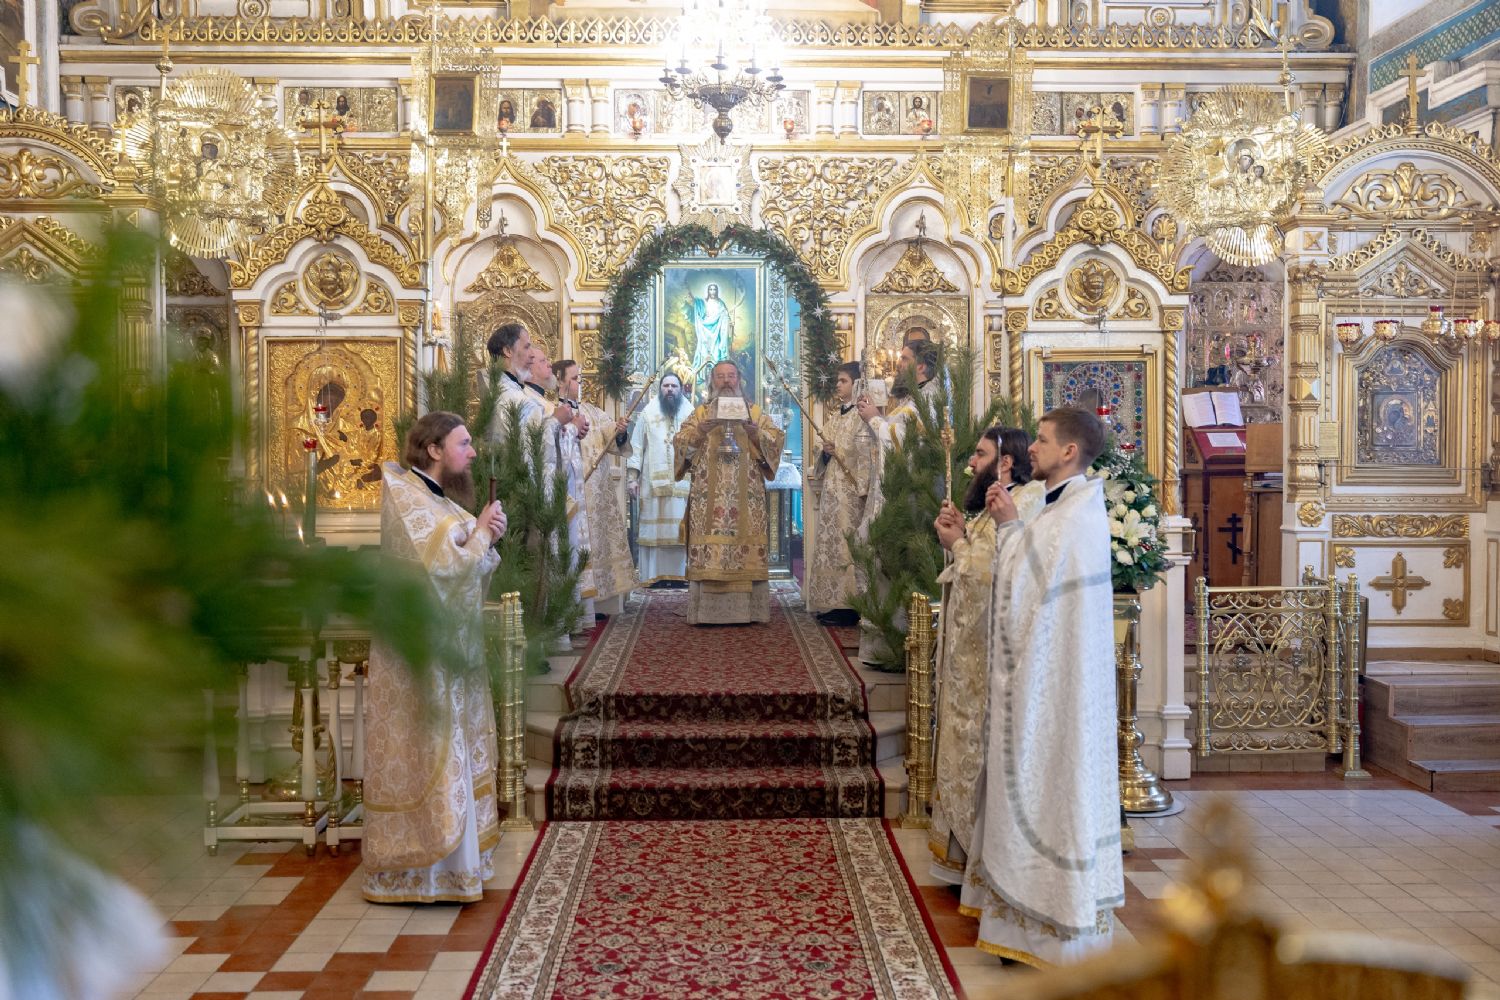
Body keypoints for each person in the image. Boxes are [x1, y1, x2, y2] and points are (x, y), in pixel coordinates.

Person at [961, 406, 1122, 965]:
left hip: (1056, 694)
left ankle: (1046, 922)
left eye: (1044, 441)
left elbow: (1026, 586)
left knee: (1051, 788)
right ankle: (1020, 924)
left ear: (1070, 452)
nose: (1033, 448)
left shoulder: (1076, 517)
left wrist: (1007, 527)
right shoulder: (1064, 508)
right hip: (1045, 683)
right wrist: (1009, 527)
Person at [363, 411, 508, 904]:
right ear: (434, 449)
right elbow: (444, 566)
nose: (471, 453)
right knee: (430, 747)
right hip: (419, 652)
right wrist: (482, 534)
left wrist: (488, 537)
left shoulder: (435, 497)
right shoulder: (404, 493)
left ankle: (457, 868)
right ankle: (419, 874)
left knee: (452, 744)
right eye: (463, 444)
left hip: (450, 647)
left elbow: (468, 559)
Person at [928, 426, 1042, 885]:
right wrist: (959, 535)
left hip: (992, 658)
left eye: (979, 454)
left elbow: (996, 572)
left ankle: (982, 867)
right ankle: (961, 859)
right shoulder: (997, 501)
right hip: (970, 656)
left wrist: (957, 544)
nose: (971, 463)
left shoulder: (1026, 503)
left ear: (1006, 461)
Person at [673, 360, 786, 624]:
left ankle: (749, 612)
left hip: (747, 498)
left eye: (731, 376)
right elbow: (680, 443)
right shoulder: (701, 413)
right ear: (712, 382)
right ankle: (706, 614)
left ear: (739, 380)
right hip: (707, 499)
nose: (726, 381)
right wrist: (700, 432)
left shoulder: (754, 413)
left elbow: (775, 439)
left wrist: (757, 434)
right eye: (721, 377)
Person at [556, 358, 638, 617]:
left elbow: (612, 438)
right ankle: (576, 606)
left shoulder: (591, 411)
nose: (580, 384)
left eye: (580, 379)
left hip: (596, 496)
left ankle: (600, 602)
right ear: (560, 381)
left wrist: (620, 430)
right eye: (575, 379)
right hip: (571, 494)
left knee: (599, 546)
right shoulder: (550, 411)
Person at [805, 361, 871, 625]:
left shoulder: (862, 415)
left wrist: (864, 487)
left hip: (852, 493)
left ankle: (850, 605)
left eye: (843, 380)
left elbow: (868, 453)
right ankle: (832, 601)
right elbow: (820, 449)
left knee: (847, 547)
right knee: (831, 546)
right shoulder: (837, 414)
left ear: (856, 384)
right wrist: (825, 451)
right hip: (833, 491)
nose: (837, 385)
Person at [627, 372, 692, 586]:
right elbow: (636, 446)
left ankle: (680, 575)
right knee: (655, 532)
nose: (670, 389)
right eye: (666, 386)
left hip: (681, 483)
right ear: (660, 389)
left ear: (681, 388)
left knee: (679, 529)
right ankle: (654, 576)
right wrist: (632, 478)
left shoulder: (690, 412)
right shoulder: (648, 412)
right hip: (652, 484)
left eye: (674, 385)